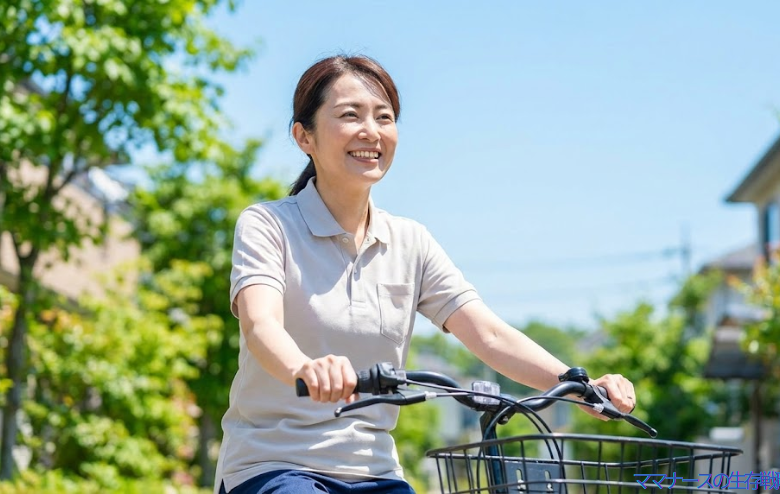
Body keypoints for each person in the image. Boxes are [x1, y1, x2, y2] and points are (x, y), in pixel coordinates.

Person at [214, 54, 637, 494]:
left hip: (374, 472)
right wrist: (304, 368)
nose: (371, 131)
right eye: (350, 115)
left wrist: (578, 385)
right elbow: (261, 324)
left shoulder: (410, 241)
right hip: (273, 464)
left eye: (384, 117)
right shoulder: (269, 225)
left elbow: (488, 334)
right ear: (305, 136)